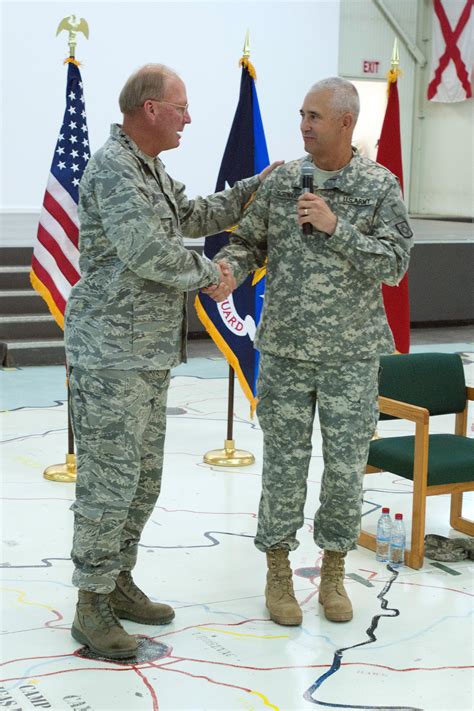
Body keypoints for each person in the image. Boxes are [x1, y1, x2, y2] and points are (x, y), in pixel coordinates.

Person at [64, 63, 279, 659]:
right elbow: (147, 252)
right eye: (181, 107)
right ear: (150, 109)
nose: (189, 118)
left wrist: (255, 185)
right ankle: (91, 604)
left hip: (145, 353)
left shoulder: (149, 167)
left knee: (142, 479)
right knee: (108, 484)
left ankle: (118, 582)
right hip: (111, 354)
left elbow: (194, 215)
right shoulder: (113, 168)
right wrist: (215, 275)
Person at [204, 77, 413, 626]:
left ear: (346, 122)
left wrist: (335, 226)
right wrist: (229, 270)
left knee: (344, 469)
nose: (304, 125)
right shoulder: (280, 183)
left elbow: (395, 264)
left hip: (350, 354)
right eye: (302, 115)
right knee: (284, 466)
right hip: (286, 350)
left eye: (315, 117)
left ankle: (335, 571)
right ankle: (277, 573)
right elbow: (248, 241)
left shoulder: (378, 186)